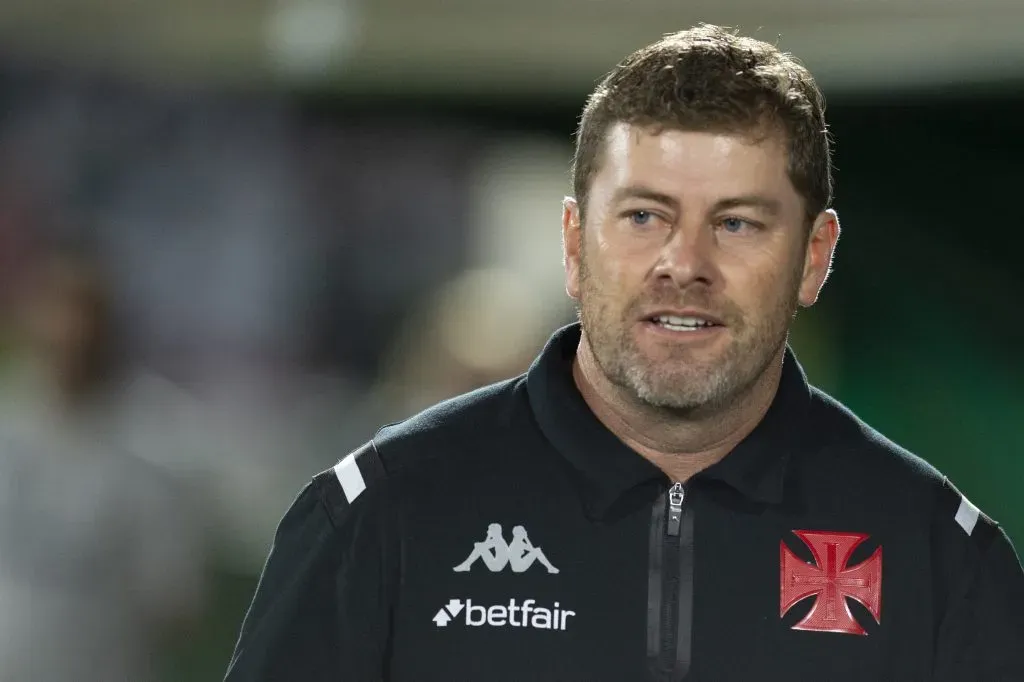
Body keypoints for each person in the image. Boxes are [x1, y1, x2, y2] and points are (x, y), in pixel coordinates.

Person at [224, 25, 1024, 681]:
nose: (685, 263)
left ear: (815, 258)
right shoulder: (381, 520)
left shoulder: (935, 555)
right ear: (575, 244)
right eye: (644, 216)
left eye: (739, 222)